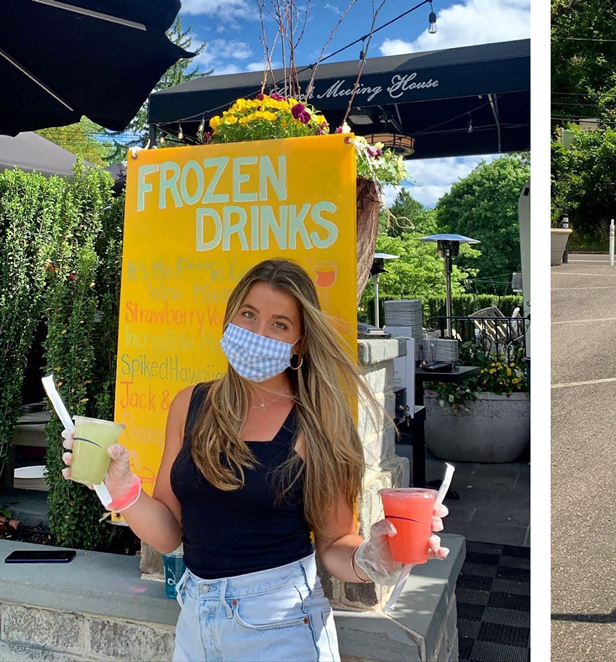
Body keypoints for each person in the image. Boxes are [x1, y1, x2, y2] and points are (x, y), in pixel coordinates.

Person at [61, 258, 448, 661]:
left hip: (281, 627)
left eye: (279, 324)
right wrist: (121, 490)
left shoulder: (318, 423)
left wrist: (372, 559)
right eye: (248, 314)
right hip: (194, 618)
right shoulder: (190, 404)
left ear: (298, 342)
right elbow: (169, 533)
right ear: (230, 317)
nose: (257, 333)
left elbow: (335, 544)